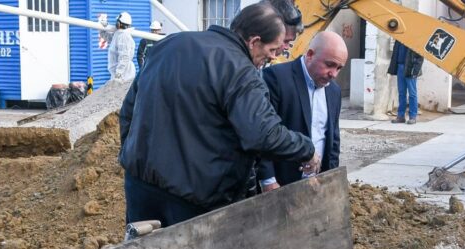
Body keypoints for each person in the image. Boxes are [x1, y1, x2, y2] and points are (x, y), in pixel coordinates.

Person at [118, 2, 316, 227]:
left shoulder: (170, 44)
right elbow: (263, 135)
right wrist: (306, 149)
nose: (272, 58)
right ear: (254, 42)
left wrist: (132, 157)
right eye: (272, 50)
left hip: (139, 189)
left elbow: (128, 112)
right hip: (194, 203)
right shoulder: (241, 71)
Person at [257, 32, 346, 190]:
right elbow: (264, 133)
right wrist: (268, 179)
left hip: (318, 185)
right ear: (310, 55)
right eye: (329, 65)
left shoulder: (334, 91)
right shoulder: (276, 78)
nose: (334, 74)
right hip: (281, 185)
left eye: (339, 68)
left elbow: (333, 141)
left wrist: (331, 179)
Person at [388, 41, 423, 124]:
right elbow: (395, 55)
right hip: (400, 67)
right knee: (401, 93)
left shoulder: (414, 39)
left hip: (410, 68)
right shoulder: (398, 40)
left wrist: (415, 71)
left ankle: (412, 117)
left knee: (412, 93)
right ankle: (400, 116)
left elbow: (420, 56)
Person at [107, 12, 136, 82]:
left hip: (124, 75)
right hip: (118, 73)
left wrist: (119, 73)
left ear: (119, 24)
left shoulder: (124, 36)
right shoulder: (119, 34)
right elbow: (108, 38)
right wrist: (102, 28)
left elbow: (124, 56)